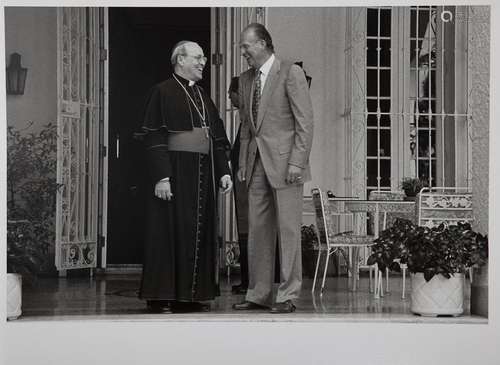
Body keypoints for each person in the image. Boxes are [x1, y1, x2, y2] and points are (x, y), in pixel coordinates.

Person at [137, 40, 232, 313]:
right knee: (167, 234)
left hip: (202, 174)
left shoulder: (203, 95)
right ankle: (162, 295)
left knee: (198, 233)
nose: (203, 62)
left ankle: (191, 295)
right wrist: (162, 177)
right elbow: (154, 136)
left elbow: (216, 137)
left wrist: (224, 171)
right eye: (197, 58)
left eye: (203, 58)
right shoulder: (162, 92)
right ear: (180, 60)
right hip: (175, 173)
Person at [232, 24, 314, 313]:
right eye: (242, 48)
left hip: (286, 166)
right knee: (258, 231)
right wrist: (243, 162)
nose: (243, 52)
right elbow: (246, 128)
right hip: (255, 166)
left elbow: (305, 124)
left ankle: (288, 295)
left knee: (289, 230)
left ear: (264, 43)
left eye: (247, 46)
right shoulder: (244, 80)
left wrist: (296, 162)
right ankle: (259, 293)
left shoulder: (290, 72)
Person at [228, 77, 249, 295]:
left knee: (247, 231)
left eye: (231, 93)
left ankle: (248, 280)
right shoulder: (243, 118)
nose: (228, 97)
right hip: (240, 180)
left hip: (244, 183)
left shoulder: (248, 119)